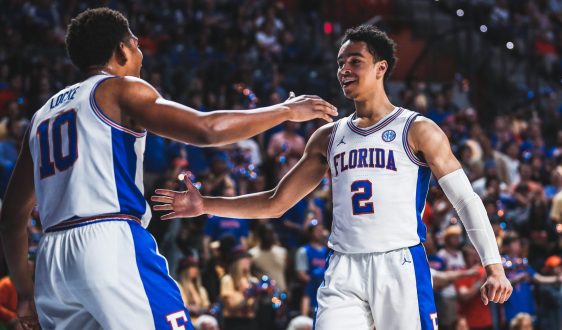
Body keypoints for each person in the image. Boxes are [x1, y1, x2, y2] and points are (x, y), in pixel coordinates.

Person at [153, 24, 512, 329]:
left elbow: (465, 199)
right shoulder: (327, 136)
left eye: (355, 61)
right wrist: (205, 204)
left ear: (381, 68)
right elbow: (277, 201)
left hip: (398, 263)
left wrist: (493, 267)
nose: (344, 70)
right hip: (343, 266)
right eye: (340, 63)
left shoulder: (417, 129)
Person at [0, 7, 337, 330]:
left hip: (52, 262)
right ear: (121, 50)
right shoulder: (118, 88)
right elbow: (207, 130)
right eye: (135, 44)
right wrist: (286, 111)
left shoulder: (41, 115)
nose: (141, 53)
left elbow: (13, 217)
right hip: (108, 241)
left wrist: (26, 292)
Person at [295, 220, 328, 317]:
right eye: (317, 230)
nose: (320, 232)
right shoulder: (303, 251)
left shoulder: (328, 250)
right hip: (312, 291)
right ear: (310, 233)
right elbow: (301, 274)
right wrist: (317, 281)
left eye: (321, 230)